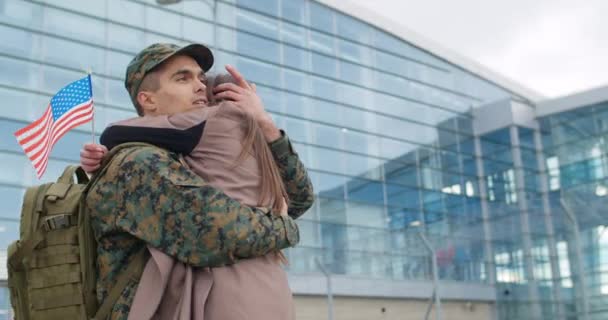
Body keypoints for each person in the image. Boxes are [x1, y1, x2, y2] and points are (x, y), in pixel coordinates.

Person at [83, 43, 314, 319]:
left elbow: (297, 198)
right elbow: (217, 232)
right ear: (147, 100)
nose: (199, 87)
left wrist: (266, 125)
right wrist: (285, 227)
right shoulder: (141, 162)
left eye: (202, 79)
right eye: (183, 78)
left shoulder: (195, 151)